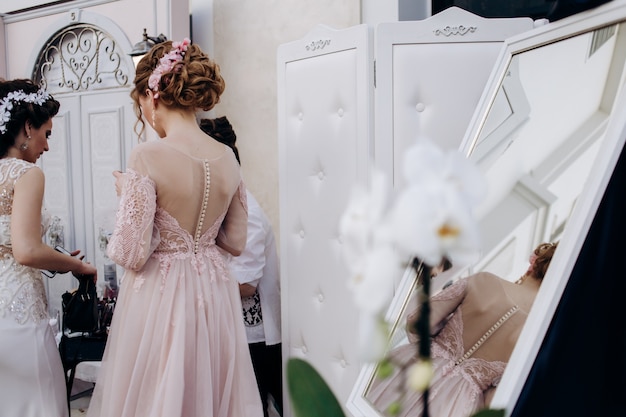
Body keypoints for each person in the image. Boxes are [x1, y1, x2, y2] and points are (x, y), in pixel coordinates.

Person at [86, 39, 263, 417]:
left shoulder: (147, 155)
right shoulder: (227, 157)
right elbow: (234, 241)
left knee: (158, 393)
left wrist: (127, 193)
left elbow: (130, 253)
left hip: (160, 296)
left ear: (152, 96)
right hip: (214, 293)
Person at [368, 242, 559, 417]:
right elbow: (493, 400)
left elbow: (418, 322)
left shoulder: (485, 281)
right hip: (454, 406)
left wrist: (441, 341)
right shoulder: (539, 336)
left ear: (535, 262)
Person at [0, 78, 97, 417]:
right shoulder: (24, 174)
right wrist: (77, 267)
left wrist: (52, 259)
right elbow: (26, 250)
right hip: (18, 314)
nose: (47, 146)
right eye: (47, 133)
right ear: (28, 127)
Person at [200, 117, 283, 417]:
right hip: (232, 330)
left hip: (255, 338)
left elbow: (247, 286)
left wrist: (194, 287)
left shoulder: (248, 212)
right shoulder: (221, 208)